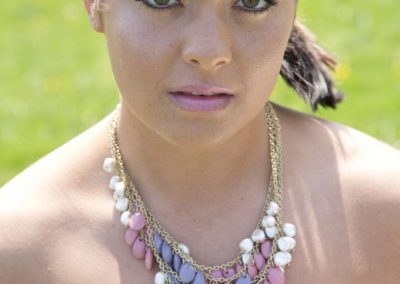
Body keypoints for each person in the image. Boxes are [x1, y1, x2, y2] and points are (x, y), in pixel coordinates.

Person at [1, 0, 399, 283]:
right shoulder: (18, 248)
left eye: (252, 2)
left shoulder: (386, 213)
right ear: (94, 5)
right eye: (162, 1)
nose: (208, 53)